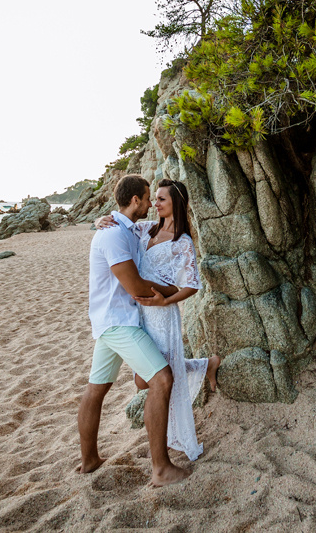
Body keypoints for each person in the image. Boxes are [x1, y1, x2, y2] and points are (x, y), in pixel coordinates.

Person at [77, 174, 189, 487]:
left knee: (96, 389)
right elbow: (136, 287)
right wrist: (169, 290)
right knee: (162, 379)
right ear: (136, 200)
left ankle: (89, 462)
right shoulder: (113, 236)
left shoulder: (125, 228)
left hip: (110, 321)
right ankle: (160, 469)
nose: (152, 203)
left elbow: (153, 235)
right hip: (119, 322)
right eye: (148, 197)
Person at [96, 178, 220, 461]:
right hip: (140, 315)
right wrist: (100, 219)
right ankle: (205, 364)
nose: (155, 204)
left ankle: (205, 366)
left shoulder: (182, 241)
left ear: (175, 202)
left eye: (161, 199)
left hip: (163, 314)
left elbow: (191, 285)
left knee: (149, 378)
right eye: (154, 199)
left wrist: (167, 300)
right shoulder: (146, 228)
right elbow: (121, 223)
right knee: (145, 379)